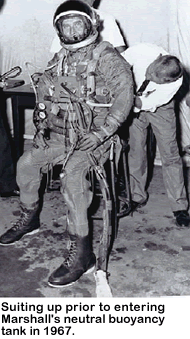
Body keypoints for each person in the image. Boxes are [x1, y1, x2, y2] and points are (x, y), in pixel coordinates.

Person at [0, 0, 134, 288]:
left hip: (98, 137)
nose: (72, 30)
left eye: (77, 24)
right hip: (63, 135)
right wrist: (41, 124)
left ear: (91, 25)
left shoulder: (108, 58)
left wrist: (101, 134)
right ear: (58, 29)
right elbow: (47, 95)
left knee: (71, 174)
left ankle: (83, 255)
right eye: (65, 25)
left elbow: (125, 100)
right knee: (26, 163)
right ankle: (30, 218)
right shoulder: (59, 59)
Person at [120, 43, 190, 227]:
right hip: (133, 97)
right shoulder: (143, 50)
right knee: (136, 150)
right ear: (157, 58)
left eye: (155, 78)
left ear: (166, 81)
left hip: (158, 108)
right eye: (150, 71)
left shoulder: (173, 84)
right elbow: (119, 64)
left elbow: (144, 104)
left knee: (171, 156)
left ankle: (179, 207)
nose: (148, 76)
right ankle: (136, 196)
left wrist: (125, 103)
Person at [50, 0, 125, 54]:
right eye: (67, 26)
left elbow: (121, 53)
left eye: (77, 24)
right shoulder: (64, 17)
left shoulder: (107, 18)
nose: (72, 30)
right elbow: (56, 54)